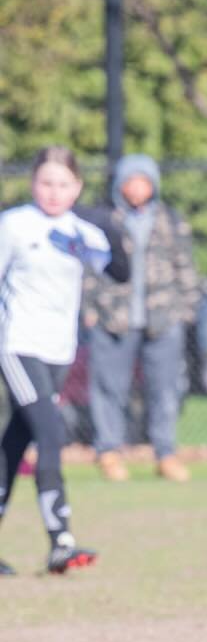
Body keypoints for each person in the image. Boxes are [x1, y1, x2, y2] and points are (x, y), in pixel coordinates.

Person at [0, 147, 129, 575]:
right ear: (33, 183)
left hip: (59, 351)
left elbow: (120, 272)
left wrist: (109, 228)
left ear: (77, 187)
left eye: (63, 184)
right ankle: (62, 541)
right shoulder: (15, 225)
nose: (53, 192)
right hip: (17, 345)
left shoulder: (80, 230)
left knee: (16, 442)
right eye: (45, 183)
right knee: (51, 434)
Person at [85, 153, 201, 483]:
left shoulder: (171, 220)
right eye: (131, 182)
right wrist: (91, 310)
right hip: (113, 318)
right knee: (109, 387)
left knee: (165, 390)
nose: (137, 189)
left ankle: (165, 454)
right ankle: (108, 452)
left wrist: (186, 309)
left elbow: (185, 267)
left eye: (144, 182)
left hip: (162, 318)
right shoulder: (104, 219)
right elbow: (89, 269)